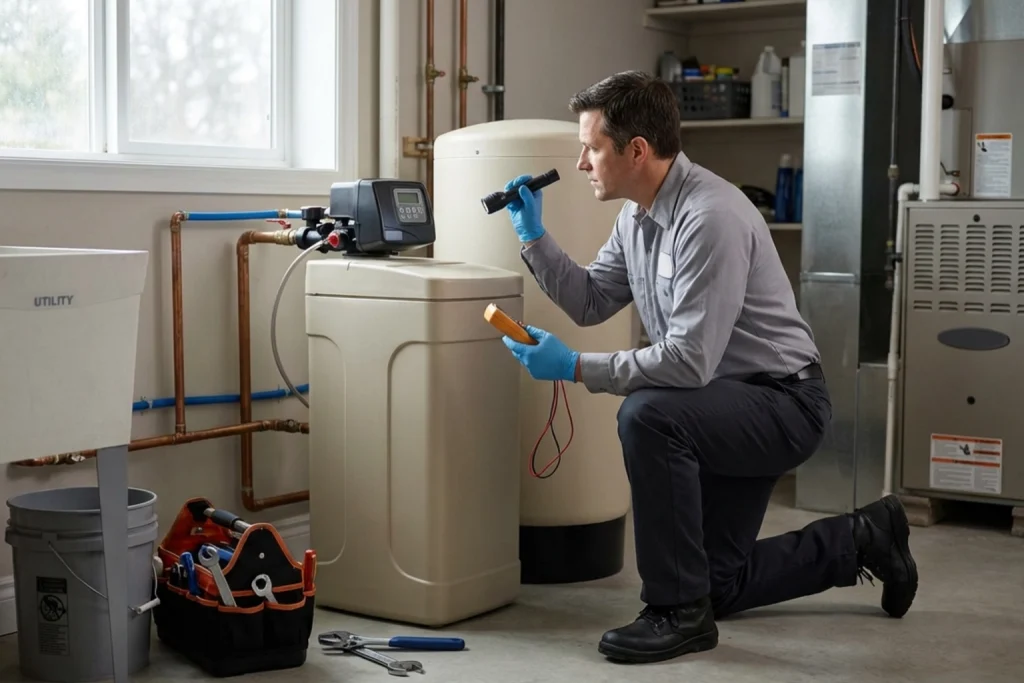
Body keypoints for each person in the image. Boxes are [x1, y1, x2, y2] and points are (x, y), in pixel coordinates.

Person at [498, 70, 918, 664]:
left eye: (591, 147)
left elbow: (689, 361)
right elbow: (592, 300)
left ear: (636, 150)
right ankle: (863, 538)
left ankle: (676, 614)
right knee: (716, 581)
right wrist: (533, 235)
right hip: (721, 405)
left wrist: (573, 367)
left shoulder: (709, 215)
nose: (581, 162)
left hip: (783, 403)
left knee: (648, 415)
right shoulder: (637, 217)